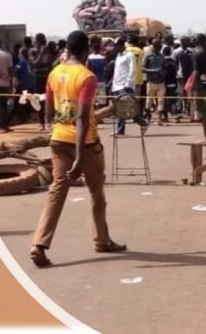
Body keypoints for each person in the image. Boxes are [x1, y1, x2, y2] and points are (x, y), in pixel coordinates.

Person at [29, 30, 126, 267]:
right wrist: (80, 157)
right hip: (86, 144)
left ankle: (39, 244)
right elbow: (82, 117)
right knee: (96, 192)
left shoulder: (54, 73)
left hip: (59, 138)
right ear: (85, 51)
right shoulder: (87, 77)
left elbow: (49, 111)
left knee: (57, 191)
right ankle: (102, 240)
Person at [112, 39, 148, 135]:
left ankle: (141, 123)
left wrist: (128, 83)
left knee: (126, 108)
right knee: (121, 108)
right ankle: (122, 129)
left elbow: (132, 69)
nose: (114, 48)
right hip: (117, 85)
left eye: (116, 46)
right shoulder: (118, 56)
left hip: (125, 85)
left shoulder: (129, 55)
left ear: (121, 45)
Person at [33, 33, 54, 130]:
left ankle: (49, 121)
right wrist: (41, 53)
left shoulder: (48, 51)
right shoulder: (33, 51)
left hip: (48, 77)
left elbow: (51, 63)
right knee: (39, 100)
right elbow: (34, 64)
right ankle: (41, 122)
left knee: (49, 99)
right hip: (38, 77)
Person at [143, 39, 166, 125]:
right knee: (149, 100)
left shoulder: (162, 56)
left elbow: (164, 67)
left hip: (161, 82)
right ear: (154, 45)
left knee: (161, 101)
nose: (160, 47)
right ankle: (148, 117)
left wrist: (163, 73)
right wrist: (153, 70)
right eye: (159, 45)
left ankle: (159, 119)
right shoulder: (148, 56)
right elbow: (143, 68)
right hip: (151, 81)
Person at [13, 48, 36, 124]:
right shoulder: (30, 62)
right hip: (30, 85)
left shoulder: (21, 62)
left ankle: (20, 118)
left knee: (18, 101)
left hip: (23, 85)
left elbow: (16, 72)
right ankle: (25, 117)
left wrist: (17, 81)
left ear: (21, 54)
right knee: (27, 101)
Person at [87, 36, 108, 107]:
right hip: (101, 80)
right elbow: (106, 69)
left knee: (92, 99)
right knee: (101, 100)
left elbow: (88, 69)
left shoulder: (89, 58)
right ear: (99, 49)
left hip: (92, 80)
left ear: (93, 49)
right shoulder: (103, 58)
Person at [161, 45, 179, 123]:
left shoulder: (162, 62)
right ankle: (175, 117)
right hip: (173, 83)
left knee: (164, 101)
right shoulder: (173, 61)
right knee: (173, 100)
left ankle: (166, 117)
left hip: (165, 83)